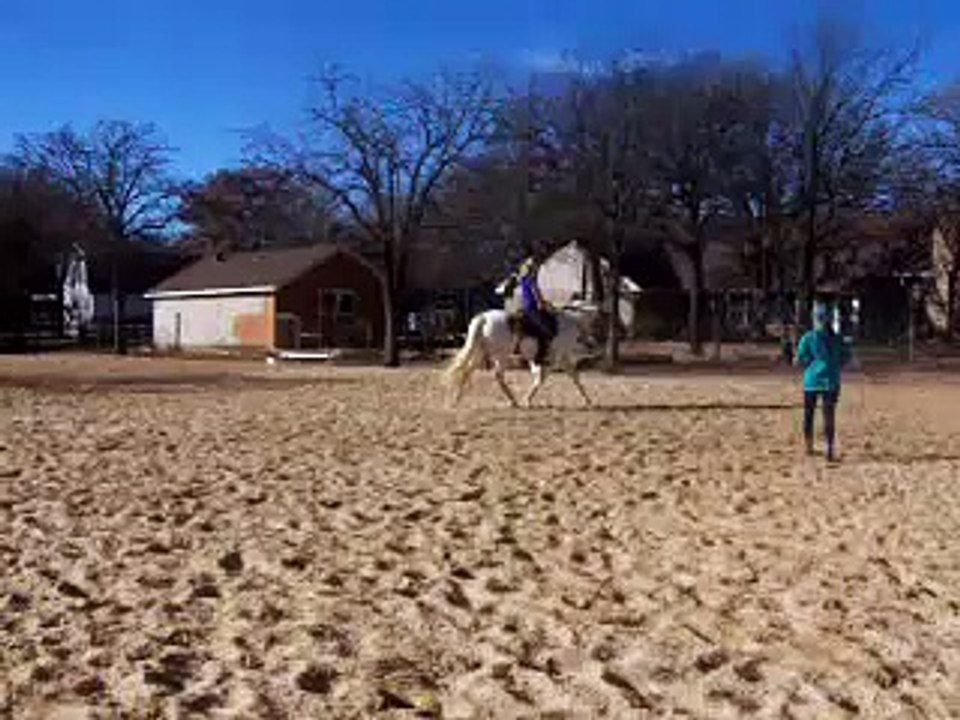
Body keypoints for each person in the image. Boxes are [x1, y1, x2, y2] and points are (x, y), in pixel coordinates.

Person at [796, 303, 852, 461]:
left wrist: (811, 364)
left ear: (816, 319)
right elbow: (846, 358)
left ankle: (808, 446)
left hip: (811, 381)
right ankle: (829, 448)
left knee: (809, 414)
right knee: (829, 415)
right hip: (831, 381)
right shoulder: (838, 339)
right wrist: (834, 365)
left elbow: (800, 359)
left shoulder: (808, 337)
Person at [512, 257, 557, 364]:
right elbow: (537, 296)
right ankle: (540, 357)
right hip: (532, 308)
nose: (537, 270)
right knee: (547, 331)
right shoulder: (532, 280)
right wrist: (545, 305)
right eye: (536, 268)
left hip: (524, 307)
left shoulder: (522, 279)